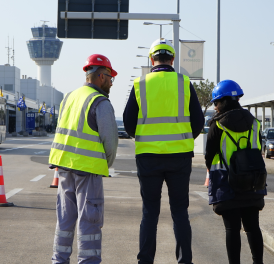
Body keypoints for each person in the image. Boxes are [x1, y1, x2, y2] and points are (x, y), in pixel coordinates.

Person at [123, 38, 204, 264]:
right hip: (180, 157)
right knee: (180, 212)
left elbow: (128, 123)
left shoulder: (140, 84)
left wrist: (145, 138)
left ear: (151, 60)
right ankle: (185, 260)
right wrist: (182, 139)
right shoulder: (184, 83)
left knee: (150, 212)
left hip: (148, 158)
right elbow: (198, 122)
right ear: (173, 59)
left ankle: (145, 261)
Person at [49, 54, 119, 264]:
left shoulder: (69, 97)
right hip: (88, 171)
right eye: (110, 78)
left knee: (64, 220)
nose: (111, 83)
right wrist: (104, 163)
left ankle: (58, 260)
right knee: (90, 222)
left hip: (63, 168)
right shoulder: (100, 102)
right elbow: (111, 143)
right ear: (100, 76)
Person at [205, 80, 266, 264]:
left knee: (232, 229)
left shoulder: (218, 126)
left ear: (223, 101)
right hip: (253, 183)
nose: (215, 107)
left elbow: (209, 157)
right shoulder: (255, 123)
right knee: (253, 227)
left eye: (216, 103)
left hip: (228, 184)